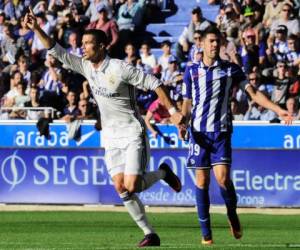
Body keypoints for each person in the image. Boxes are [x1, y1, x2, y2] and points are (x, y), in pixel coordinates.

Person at [24, 7, 183, 247]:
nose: (83, 47)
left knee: (132, 186)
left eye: (88, 44)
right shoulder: (87, 67)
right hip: (110, 137)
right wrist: (35, 27)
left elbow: (155, 83)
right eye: (83, 43)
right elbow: (55, 50)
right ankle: (150, 233)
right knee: (122, 187)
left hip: (131, 132)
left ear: (101, 47)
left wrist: (173, 112)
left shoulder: (120, 68)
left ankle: (163, 173)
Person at [179, 26, 292, 245]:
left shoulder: (230, 69)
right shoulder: (191, 70)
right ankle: (206, 234)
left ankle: (231, 212)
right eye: (210, 41)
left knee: (222, 178)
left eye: (217, 41)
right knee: (202, 180)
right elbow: (186, 102)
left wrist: (277, 109)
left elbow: (253, 93)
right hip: (198, 133)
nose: (214, 45)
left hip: (220, 133)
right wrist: (183, 122)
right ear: (200, 43)